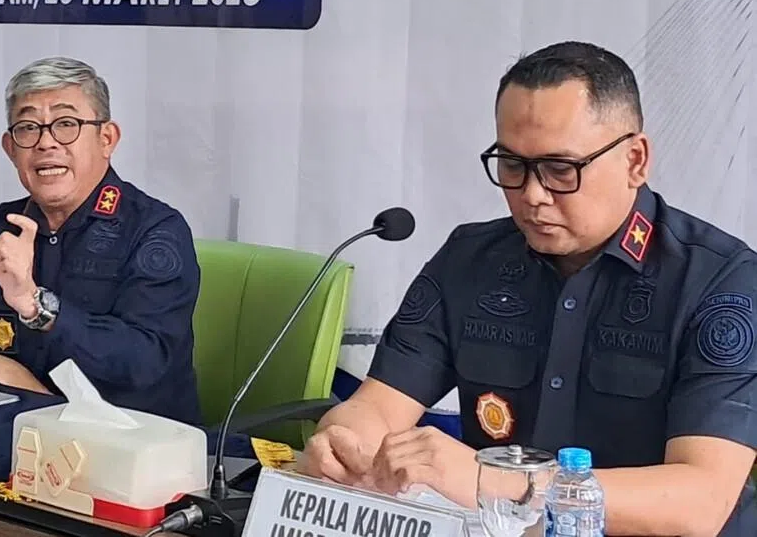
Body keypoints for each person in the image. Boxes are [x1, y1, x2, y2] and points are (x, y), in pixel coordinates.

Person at [301, 41, 756, 536]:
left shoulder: (720, 281)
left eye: (561, 169)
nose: (533, 195)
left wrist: (501, 483)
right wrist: (346, 443)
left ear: (635, 160)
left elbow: (698, 503)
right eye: (512, 166)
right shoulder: (469, 260)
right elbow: (379, 405)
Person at [0, 57, 202, 425]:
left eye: (66, 125)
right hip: (21, 434)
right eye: (28, 128)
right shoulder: (2, 229)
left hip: (133, 444)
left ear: (106, 139)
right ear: (11, 149)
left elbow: (144, 359)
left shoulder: (155, 230)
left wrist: (38, 308)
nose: (46, 143)